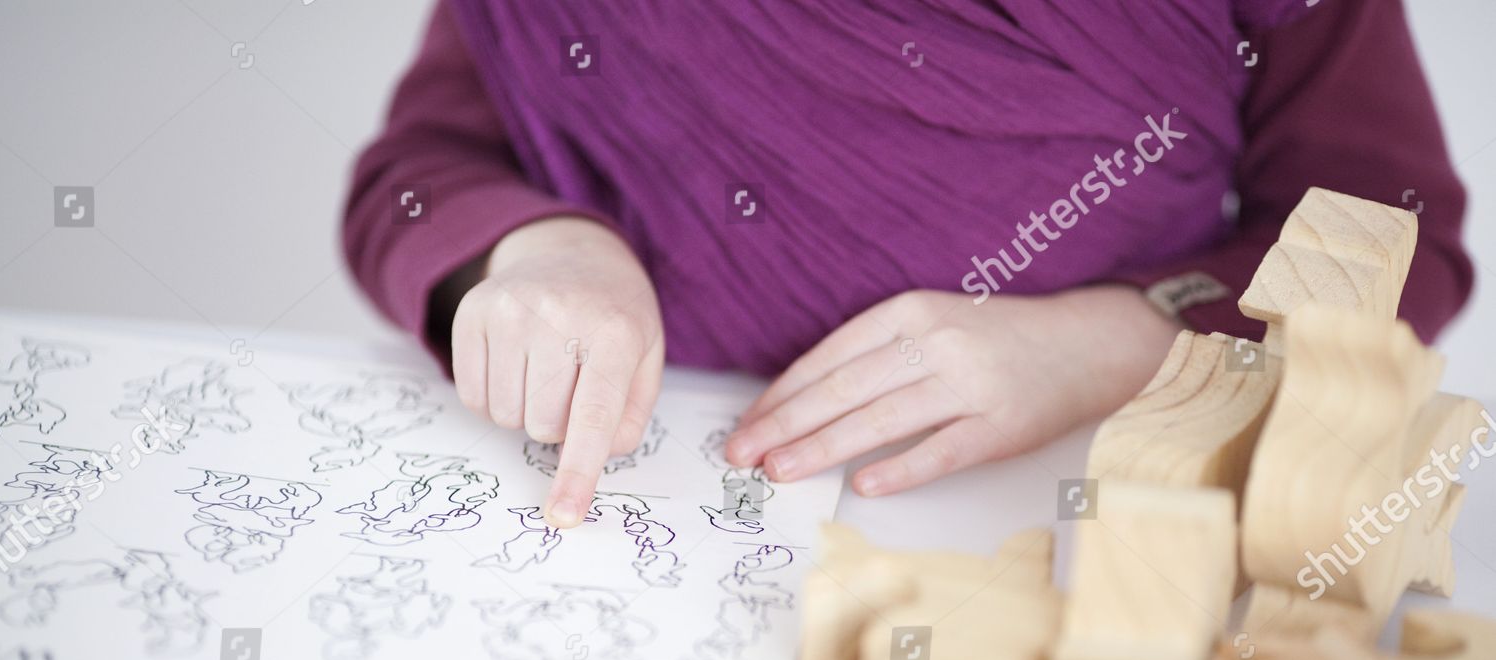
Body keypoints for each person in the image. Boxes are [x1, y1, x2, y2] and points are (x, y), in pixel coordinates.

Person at [343, 0, 1472, 528]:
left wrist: (1118, 342)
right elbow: (416, 173)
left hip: (1099, 500)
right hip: (665, 486)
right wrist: (534, 246)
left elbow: (1390, 227)